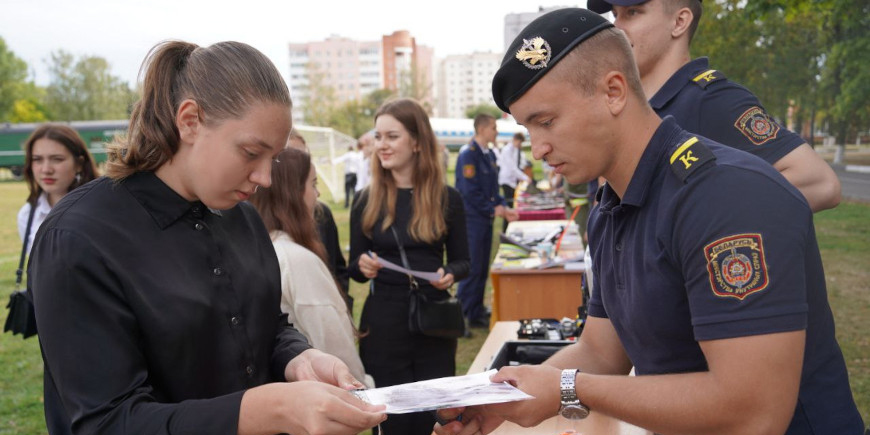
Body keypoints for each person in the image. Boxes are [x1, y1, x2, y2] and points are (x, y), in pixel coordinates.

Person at [435, 8, 863, 435]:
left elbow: (752, 411)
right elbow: (602, 352)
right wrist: (511, 398)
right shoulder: (610, 210)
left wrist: (569, 388)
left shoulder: (723, 196)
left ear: (614, 92)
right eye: (529, 129)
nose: (540, 148)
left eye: (546, 121)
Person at [28, 40, 386, 435]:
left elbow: (266, 325)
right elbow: (107, 422)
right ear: (190, 121)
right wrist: (266, 409)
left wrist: (297, 357)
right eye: (251, 152)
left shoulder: (243, 219)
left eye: (274, 159)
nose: (265, 178)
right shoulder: (80, 238)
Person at [587, 0, 840, 213]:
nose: (616, 28)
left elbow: (819, 183)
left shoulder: (711, 100)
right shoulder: (633, 106)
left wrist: (701, 218)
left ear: (679, 22)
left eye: (633, 13)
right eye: (615, 14)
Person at [349, 98, 470, 435]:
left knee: (434, 413)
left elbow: (464, 261)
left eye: (392, 136)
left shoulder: (447, 198)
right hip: (384, 323)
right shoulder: (365, 199)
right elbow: (354, 270)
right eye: (378, 136)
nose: (382, 145)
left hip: (432, 320)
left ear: (417, 142)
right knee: (391, 416)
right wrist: (363, 266)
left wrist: (451, 274)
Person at [250, 147, 372, 387]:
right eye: (313, 184)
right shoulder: (296, 261)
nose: (316, 194)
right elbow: (333, 344)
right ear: (292, 192)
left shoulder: (255, 249)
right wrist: (362, 386)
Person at [454, 114, 518, 328]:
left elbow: (493, 189)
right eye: (493, 127)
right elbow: (469, 192)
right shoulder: (468, 155)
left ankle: (475, 311)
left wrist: (503, 206)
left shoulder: (488, 154)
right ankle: (461, 316)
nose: (496, 131)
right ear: (481, 129)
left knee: (482, 267)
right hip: (473, 220)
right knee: (471, 267)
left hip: (485, 219)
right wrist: (494, 208)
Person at [287, 128, 351, 300]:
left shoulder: (322, 214)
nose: (302, 165)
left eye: (304, 156)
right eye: (291, 157)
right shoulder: (254, 219)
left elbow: (337, 269)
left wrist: (343, 305)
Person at [17, 124, 98, 254]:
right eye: (37, 159)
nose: (46, 169)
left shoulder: (99, 209)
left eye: (57, 159)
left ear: (79, 164)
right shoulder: (26, 215)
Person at [497, 132, 530, 231]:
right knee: (508, 207)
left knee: (512, 205)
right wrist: (525, 178)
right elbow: (512, 168)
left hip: (512, 181)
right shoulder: (507, 150)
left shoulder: (514, 149)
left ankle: (510, 228)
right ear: (516, 139)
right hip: (506, 181)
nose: (520, 145)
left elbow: (517, 167)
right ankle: (506, 229)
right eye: (519, 143)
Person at [332, 143, 363, 208]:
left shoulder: (348, 155)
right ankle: (355, 203)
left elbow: (340, 159)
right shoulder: (356, 155)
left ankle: (347, 204)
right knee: (354, 189)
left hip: (349, 174)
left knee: (347, 190)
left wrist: (332, 161)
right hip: (355, 174)